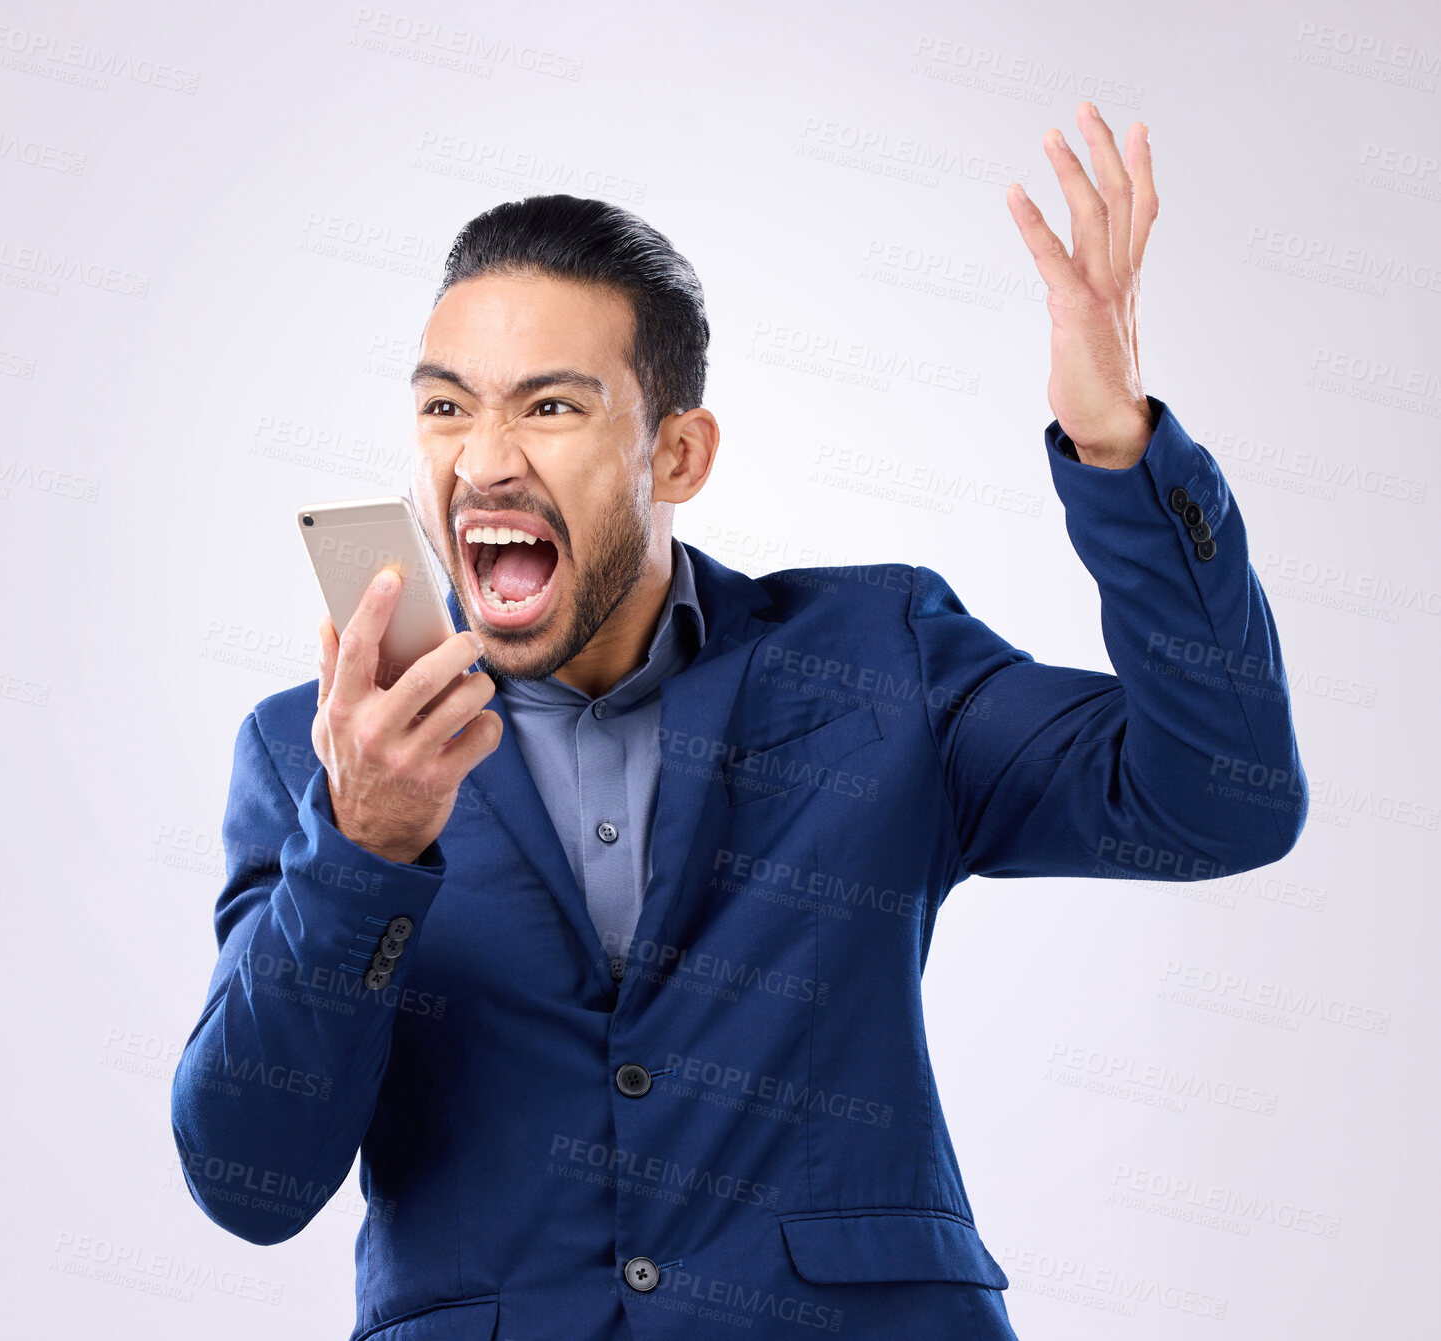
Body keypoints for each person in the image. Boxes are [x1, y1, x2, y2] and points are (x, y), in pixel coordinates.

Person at [171, 104, 1307, 1341]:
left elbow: (1220, 798)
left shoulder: (883, 657)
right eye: (446, 409)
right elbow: (250, 1183)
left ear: (678, 453)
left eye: (548, 409)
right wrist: (363, 850)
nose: (483, 461)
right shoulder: (312, 755)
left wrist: (1115, 447)